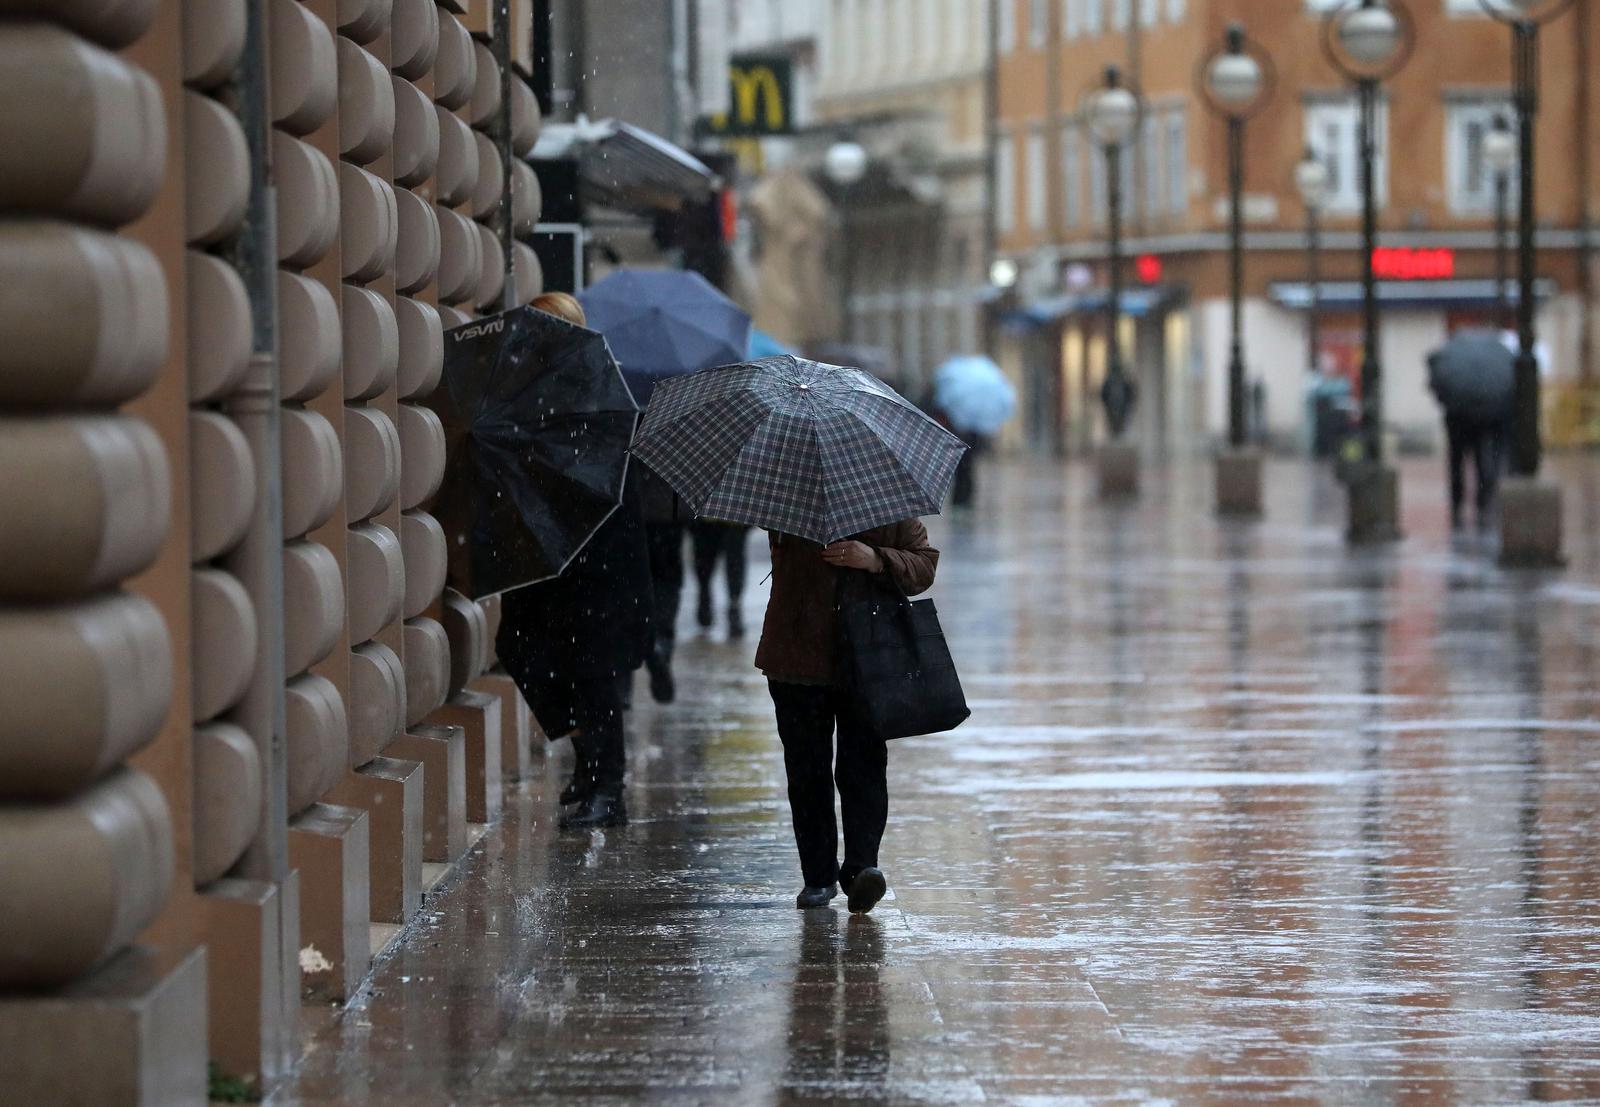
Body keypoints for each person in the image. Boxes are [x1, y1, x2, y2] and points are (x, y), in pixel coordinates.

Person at [496, 291, 654, 829]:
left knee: (593, 674)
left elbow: (593, 469)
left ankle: (609, 788)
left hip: (596, 556)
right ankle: (588, 756)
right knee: (519, 649)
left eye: (540, 328)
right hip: (545, 553)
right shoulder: (525, 388)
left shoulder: (595, 386)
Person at [756, 521, 939, 913]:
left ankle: (861, 869)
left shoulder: (889, 503)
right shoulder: (786, 500)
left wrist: (875, 559)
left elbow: (924, 567)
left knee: (864, 765)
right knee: (807, 770)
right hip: (795, 654)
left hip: (868, 653)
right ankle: (818, 877)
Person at [1427, 328, 1514, 529]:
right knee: (1484, 462)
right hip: (1488, 418)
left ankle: (1457, 503)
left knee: (1457, 462)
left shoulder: (1452, 357)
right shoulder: (1498, 357)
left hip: (1459, 418)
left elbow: (1437, 386)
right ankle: (1482, 502)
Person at [691, 520, 750, 638]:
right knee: (731, 564)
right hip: (729, 519)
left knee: (707, 562)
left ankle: (730, 604)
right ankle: (730, 604)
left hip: (718, 521)